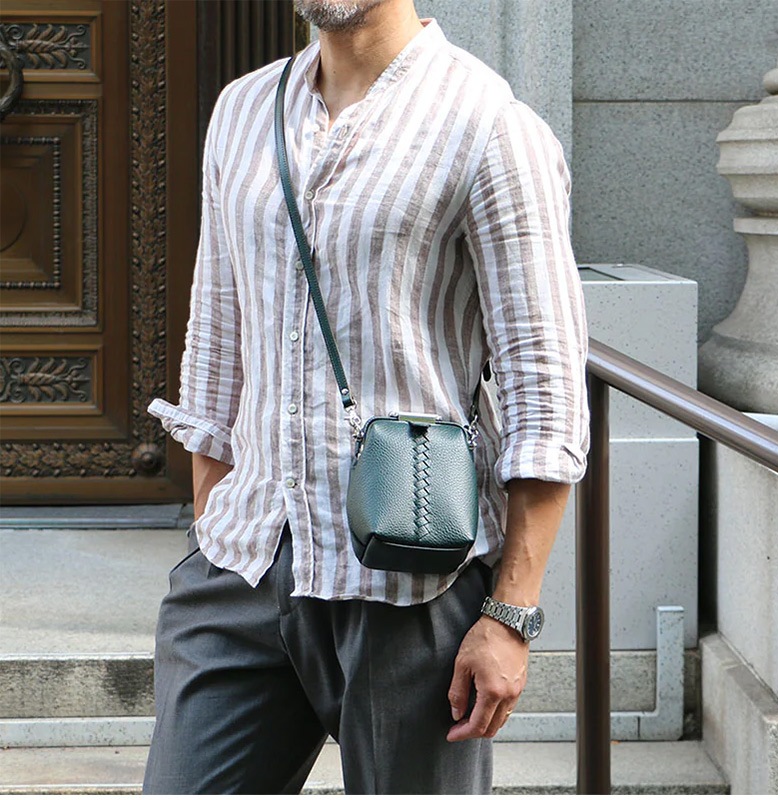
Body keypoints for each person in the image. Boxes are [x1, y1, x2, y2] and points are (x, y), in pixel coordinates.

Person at [143, 0, 589, 794]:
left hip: (413, 584)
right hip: (245, 568)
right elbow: (216, 334)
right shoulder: (243, 110)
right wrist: (213, 527)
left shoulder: (489, 126)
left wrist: (510, 615)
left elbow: (544, 390)